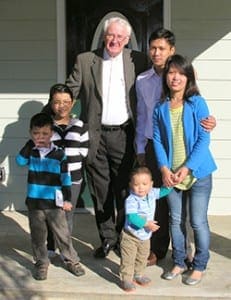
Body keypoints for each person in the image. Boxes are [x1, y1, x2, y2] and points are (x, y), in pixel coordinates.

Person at [64, 17, 148, 258]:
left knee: (124, 189)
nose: (115, 40)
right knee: (100, 192)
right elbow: (69, 92)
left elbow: (156, 86)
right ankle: (108, 239)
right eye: (111, 35)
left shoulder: (138, 60)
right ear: (104, 35)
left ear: (127, 40)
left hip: (124, 134)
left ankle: (124, 239)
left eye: (120, 37)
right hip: (95, 136)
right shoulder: (85, 60)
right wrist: (54, 118)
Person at [135, 28, 216, 265]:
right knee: (165, 208)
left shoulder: (190, 93)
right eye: (153, 48)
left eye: (162, 48)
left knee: (194, 217)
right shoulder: (144, 82)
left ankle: (193, 255)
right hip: (158, 150)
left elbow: (199, 125)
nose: (156, 53)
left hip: (189, 159)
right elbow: (143, 118)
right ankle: (164, 253)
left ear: (172, 51)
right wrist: (142, 149)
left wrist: (210, 122)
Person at [153, 54, 217, 285]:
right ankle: (179, 261)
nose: (175, 77)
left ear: (188, 77)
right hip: (171, 176)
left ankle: (199, 265)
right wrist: (163, 169)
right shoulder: (160, 107)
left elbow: (203, 140)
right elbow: (158, 141)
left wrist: (188, 168)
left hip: (198, 173)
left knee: (197, 221)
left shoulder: (197, 103)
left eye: (181, 73)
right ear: (165, 76)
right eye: (171, 72)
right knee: (175, 221)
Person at [16, 113, 85, 280]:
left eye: (44, 134)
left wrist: (67, 199)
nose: (40, 137)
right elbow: (19, 161)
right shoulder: (30, 151)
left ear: (52, 133)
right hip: (35, 203)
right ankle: (41, 262)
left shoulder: (59, 154)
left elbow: (66, 178)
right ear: (31, 133)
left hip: (55, 203)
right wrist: (29, 144)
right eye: (36, 133)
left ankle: (72, 260)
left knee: (63, 233)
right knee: (38, 236)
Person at [42, 83, 89, 257]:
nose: (62, 106)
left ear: (72, 103)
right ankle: (50, 246)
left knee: (67, 215)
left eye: (66, 101)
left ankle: (65, 248)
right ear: (51, 104)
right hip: (51, 180)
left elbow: (83, 151)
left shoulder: (80, 125)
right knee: (51, 214)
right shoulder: (45, 126)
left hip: (73, 179)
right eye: (57, 102)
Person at [120, 167, 172, 292]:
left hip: (145, 236)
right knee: (128, 258)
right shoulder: (131, 199)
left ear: (151, 184)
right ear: (131, 185)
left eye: (144, 184)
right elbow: (132, 217)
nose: (141, 188)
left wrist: (170, 184)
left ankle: (139, 274)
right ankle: (126, 279)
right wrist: (146, 224)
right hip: (130, 236)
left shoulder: (152, 193)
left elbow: (164, 192)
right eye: (136, 184)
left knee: (142, 257)